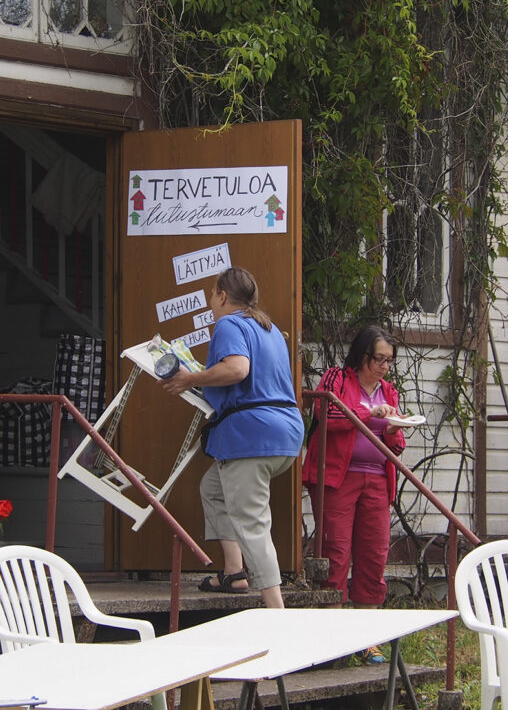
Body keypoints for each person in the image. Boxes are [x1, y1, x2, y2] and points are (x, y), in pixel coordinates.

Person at [162, 267, 304, 608]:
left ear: (223, 296)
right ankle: (235, 572)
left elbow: (238, 369)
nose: (212, 302)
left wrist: (189, 377)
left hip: (250, 436)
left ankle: (277, 612)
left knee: (252, 522)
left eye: (213, 294)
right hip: (284, 434)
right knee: (213, 489)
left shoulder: (228, 324)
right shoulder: (267, 327)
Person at [301, 325, 405, 660]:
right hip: (337, 477)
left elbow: (397, 445)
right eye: (379, 359)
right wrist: (367, 413)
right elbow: (326, 413)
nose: (384, 366)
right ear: (361, 355)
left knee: (374, 553)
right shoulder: (337, 378)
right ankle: (334, 638)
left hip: (376, 478)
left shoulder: (389, 391)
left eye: (389, 361)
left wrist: (392, 428)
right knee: (336, 550)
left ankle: (365, 637)